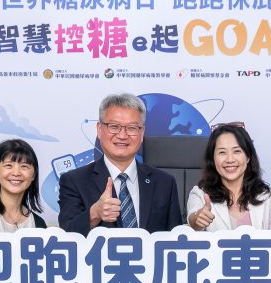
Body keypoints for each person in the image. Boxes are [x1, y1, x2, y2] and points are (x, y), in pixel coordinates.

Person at [58, 93, 183, 235]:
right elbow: (66, 235)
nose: (122, 135)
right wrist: (94, 213)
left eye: (132, 128)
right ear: (99, 129)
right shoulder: (74, 181)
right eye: (114, 126)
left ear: (142, 132)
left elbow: (176, 239)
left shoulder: (164, 182)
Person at [187, 124, 271, 232]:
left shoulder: (266, 196)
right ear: (212, 159)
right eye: (222, 152)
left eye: (237, 151)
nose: (230, 159)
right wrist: (198, 219)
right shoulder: (200, 194)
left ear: (248, 157)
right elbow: (193, 220)